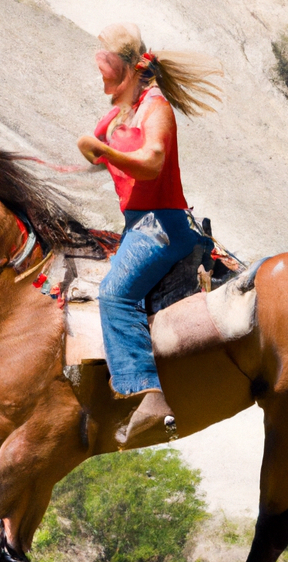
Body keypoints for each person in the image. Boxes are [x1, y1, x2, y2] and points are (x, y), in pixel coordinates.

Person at [76, 23, 222, 446]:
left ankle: (148, 391)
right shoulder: (122, 110)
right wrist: (94, 148)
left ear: (127, 70)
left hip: (159, 225)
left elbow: (152, 160)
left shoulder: (155, 107)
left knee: (115, 295)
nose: (102, 78)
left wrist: (103, 151)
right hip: (138, 224)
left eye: (107, 69)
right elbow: (98, 141)